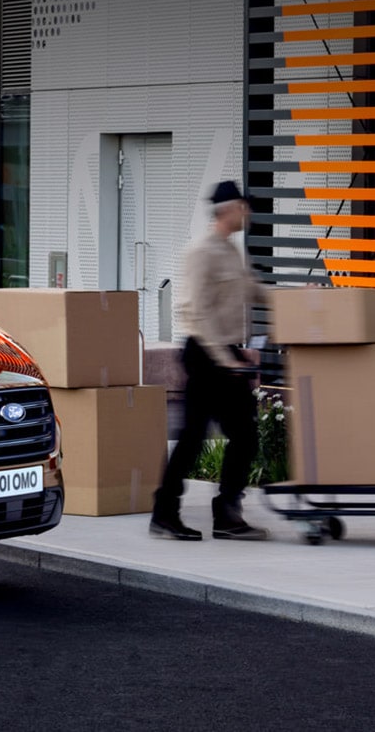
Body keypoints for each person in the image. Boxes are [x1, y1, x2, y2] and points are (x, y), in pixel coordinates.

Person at [150, 180, 269, 541]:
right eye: (243, 207)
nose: (247, 212)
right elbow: (194, 311)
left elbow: (253, 289)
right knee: (194, 439)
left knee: (243, 435)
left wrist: (301, 301)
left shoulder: (233, 251)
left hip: (226, 354)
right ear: (228, 210)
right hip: (206, 354)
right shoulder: (201, 252)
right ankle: (168, 514)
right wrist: (224, 360)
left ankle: (225, 514)